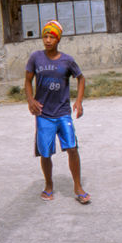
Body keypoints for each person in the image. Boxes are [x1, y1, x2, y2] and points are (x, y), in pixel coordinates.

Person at [24, 20, 89, 205]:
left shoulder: (67, 60)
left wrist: (79, 101)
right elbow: (28, 81)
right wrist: (30, 100)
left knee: (72, 148)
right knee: (45, 153)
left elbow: (81, 78)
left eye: (52, 37)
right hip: (44, 114)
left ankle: (78, 186)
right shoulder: (35, 58)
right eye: (45, 36)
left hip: (63, 113)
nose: (48, 40)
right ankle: (49, 185)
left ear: (58, 39)